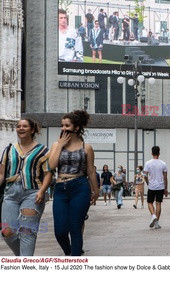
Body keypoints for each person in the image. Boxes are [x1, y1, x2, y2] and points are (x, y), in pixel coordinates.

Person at [0, 118, 52, 256]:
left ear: (32, 130)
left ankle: (25, 264)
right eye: (18, 126)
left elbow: (48, 174)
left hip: (33, 192)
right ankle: (23, 258)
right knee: (7, 232)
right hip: (11, 193)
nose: (21, 128)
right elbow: (1, 174)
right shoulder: (9, 149)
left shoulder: (43, 151)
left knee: (27, 231)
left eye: (24, 126)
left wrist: (42, 191)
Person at [48, 110, 99, 256]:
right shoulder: (56, 145)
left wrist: (96, 191)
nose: (63, 129)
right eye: (62, 125)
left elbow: (90, 171)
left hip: (80, 187)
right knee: (60, 231)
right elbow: (51, 166)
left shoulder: (86, 147)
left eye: (67, 125)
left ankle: (75, 259)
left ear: (76, 128)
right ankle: (70, 252)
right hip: (60, 189)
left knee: (75, 227)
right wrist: (59, 146)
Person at [143, 146, 168, 229]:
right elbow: (165, 177)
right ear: (159, 153)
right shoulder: (163, 163)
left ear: (151, 153)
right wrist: (166, 188)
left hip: (152, 186)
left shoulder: (148, 163)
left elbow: (145, 175)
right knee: (158, 203)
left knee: (149, 202)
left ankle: (153, 215)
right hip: (160, 186)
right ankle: (157, 223)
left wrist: (148, 183)